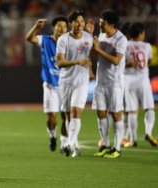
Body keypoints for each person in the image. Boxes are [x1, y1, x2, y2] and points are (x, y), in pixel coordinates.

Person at [25, 16, 69, 152]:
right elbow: (29, 39)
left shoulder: (69, 43)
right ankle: (52, 136)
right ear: (53, 27)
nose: (61, 28)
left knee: (66, 116)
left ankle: (64, 143)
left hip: (66, 85)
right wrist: (36, 27)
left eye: (64, 26)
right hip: (50, 85)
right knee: (52, 117)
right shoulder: (46, 40)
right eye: (59, 26)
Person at [55, 10, 93, 157]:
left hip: (81, 82)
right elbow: (59, 62)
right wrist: (77, 62)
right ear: (71, 23)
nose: (80, 24)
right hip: (66, 81)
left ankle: (70, 145)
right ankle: (73, 141)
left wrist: (90, 71)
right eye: (77, 21)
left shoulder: (89, 38)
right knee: (66, 116)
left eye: (82, 21)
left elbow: (91, 54)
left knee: (76, 112)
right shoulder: (63, 40)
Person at [92, 9, 128, 158]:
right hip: (101, 82)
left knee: (115, 114)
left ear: (112, 25)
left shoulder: (121, 39)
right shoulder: (101, 35)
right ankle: (105, 145)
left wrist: (98, 50)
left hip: (115, 83)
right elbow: (96, 51)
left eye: (103, 24)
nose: (100, 26)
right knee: (101, 113)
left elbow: (116, 60)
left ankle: (117, 148)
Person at [122, 22, 158, 147]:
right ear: (141, 33)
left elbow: (119, 63)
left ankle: (133, 139)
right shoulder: (147, 46)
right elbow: (147, 61)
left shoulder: (124, 45)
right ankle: (148, 132)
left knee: (132, 111)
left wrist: (128, 64)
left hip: (129, 81)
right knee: (149, 108)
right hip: (143, 80)